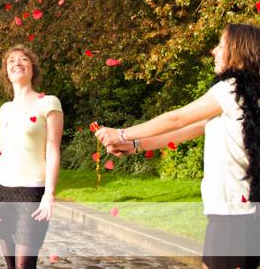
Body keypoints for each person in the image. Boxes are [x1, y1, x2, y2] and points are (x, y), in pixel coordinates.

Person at [96, 24, 260, 269]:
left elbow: (177, 119)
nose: (213, 51)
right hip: (241, 211)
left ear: (237, 51)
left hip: (232, 213)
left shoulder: (230, 89)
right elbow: (191, 129)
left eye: (220, 45)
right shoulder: (248, 93)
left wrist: (121, 133)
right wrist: (135, 145)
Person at [0, 45, 63, 269]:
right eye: (11, 60)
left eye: (24, 59)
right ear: (6, 72)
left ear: (33, 68)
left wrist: (49, 195)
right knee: (11, 265)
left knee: (24, 264)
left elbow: (53, 150)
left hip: (31, 192)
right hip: (2, 192)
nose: (17, 62)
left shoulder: (49, 103)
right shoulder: (5, 109)